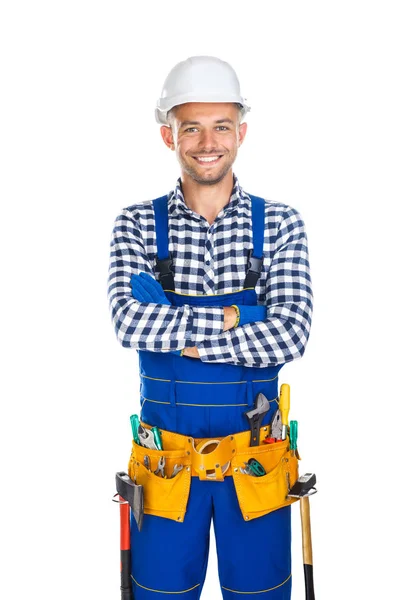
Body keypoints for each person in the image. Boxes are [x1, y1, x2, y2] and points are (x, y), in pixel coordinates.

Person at [108, 55, 313, 599]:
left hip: (257, 465)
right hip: (164, 471)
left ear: (241, 132)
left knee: (261, 594)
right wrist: (243, 318)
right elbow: (130, 324)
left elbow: (291, 333)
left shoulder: (281, 224)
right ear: (167, 133)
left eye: (221, 125)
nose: (207, 141)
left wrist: (180, 329)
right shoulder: (135, 223)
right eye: (190, 127)